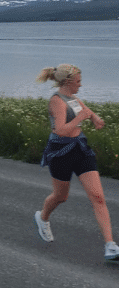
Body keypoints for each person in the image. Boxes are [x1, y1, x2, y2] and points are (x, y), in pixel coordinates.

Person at [34, 64, 119, 260]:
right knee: (60, 196)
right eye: (78, 82)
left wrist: (95, 118)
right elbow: (60, 130)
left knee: (98, 197)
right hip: (61, 152)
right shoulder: (56, 101)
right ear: (68, 82)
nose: (81, 85)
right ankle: (42, 217)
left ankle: (110, 246)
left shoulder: (73, 98)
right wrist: (80, 117)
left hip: (81, 150)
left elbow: (86, 110)